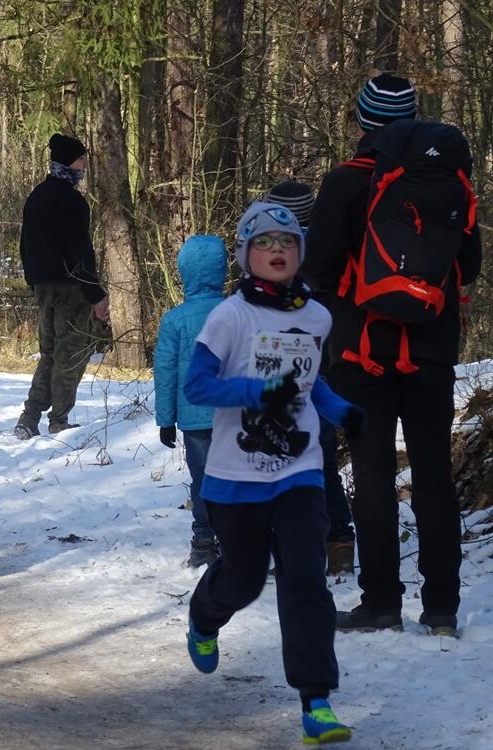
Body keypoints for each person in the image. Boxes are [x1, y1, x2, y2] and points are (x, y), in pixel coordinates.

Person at [305, 74, 482, 636]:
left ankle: (381, 605)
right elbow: (468, 267)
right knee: (432, 475)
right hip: (431, 352)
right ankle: (443, 610)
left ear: (362, 122)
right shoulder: (450, 183)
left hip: (360, 357)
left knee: (374, 475)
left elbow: (320, 272)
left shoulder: (342, 185)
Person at [182, 202, 362, 744]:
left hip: (300, 469)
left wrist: (341, 412)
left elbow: (311, 384)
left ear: (300, 253)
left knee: (305, 581)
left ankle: (317, 701)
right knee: (243, 579)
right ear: (246, 256)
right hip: (235, 474)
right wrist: (255, 391)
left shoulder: (316, 317)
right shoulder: (229, 316)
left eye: (287, 242)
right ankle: (206, 614)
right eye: (264, 243)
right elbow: (197, 387)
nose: (277, 250)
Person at [266, 180, 356, 576]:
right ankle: (339, 541)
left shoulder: (271, 259)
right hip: (326, 369)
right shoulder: (328, 253)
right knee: (321, 458)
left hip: (285, 376)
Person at [14, 132, 109, 439]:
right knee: (70, 355)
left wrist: (35, 282)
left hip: (43, 288)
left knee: (49, 354)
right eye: (82, 160)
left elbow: (24, 247)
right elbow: (81, 252)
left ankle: (29, 418)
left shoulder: (36, 197)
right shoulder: (73, 202)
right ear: (70, 163)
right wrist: (95, 295)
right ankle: (59, 420)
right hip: (72, 290)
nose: (85, 166)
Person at [153, 235, 226, 568]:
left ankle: (203, 540)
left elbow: (165, 372)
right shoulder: (238, 313)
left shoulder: (175, 320)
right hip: (235, 414)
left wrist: (166, 419)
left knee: (203, 480)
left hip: (195, 418)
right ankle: (235, 540)